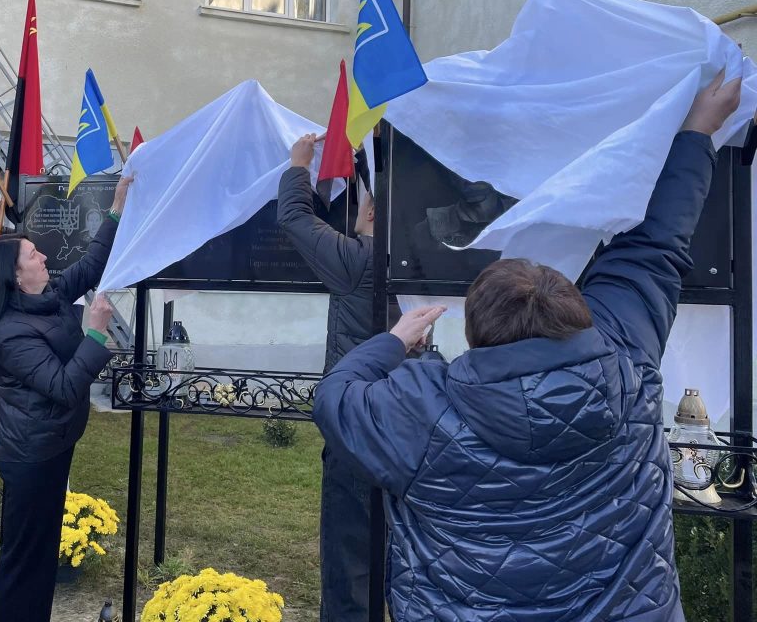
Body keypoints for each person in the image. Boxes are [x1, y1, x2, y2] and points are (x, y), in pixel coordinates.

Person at [312, 71, 744, 622]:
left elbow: (337, 395)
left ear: (475, 332)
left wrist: (393, 342)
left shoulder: (420, 409)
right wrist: (698, 133)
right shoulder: (626, 359)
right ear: (578, 311)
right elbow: (655, 246)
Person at [0, 174, 131, 622]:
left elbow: (91, 265)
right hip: (31, 454)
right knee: (24, 557)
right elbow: (63, 387)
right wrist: (95, 334)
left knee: (41, 553)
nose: (43, 256)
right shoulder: (10, 332)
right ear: (15, 276)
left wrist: (116, 209)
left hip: (53, 443)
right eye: (33, 255)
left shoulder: (50, 296)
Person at [276, 134, 378, 622]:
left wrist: (299, 166)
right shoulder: (414, 260)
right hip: (406, 423)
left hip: (355, 426)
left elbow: (294, 218)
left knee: (347, 557)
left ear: (372, 212)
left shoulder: (359, 262)